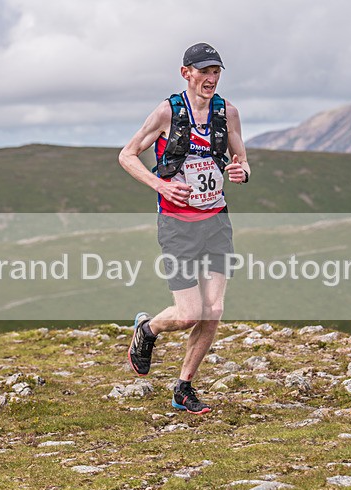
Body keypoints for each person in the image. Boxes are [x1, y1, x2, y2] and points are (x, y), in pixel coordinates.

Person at [118, 42, 250, 415]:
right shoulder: (166, 112)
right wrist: (160, 184)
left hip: (216, 221)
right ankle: (147, 330)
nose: (211, 78)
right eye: (204, 71)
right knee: (189, 313)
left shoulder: (228, 113)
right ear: (185, 73)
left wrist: (241, 172)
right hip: (177, 224)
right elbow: (127, 155)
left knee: (214, 310)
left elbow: (242, 161)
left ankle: (183, 388)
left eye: (216, 72)